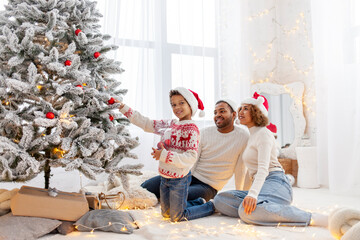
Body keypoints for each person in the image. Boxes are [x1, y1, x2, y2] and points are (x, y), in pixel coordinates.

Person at [213, 92, 328, 227]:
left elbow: (263, 169)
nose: (240, 112)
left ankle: (313, 217)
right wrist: (248, 194)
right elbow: (250, 172)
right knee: (220, 200)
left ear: (256, 112)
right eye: (240, 108)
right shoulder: (250, 136)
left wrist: (253, 195)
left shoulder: (263, 133)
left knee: (246, 212)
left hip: (276, 181)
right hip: (261, 186)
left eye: (246, 108)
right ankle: (265, 207)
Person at [118, 87, 214, 222]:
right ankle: (197, 202)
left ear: (190, 105)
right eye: (174, 104)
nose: (177, 107)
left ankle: (209, 206)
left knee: (176, 217)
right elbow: (147, 123)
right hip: (164, 176)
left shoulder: (192, 130)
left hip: (179, 178)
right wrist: (123, 108)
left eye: (181, 103)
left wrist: (163, 155)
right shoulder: (171, 124)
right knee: (166, 214)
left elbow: (190, 157)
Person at [141, 99, 250, 202]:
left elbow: (241, 167)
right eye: (215, 112)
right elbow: (193, 158)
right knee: (145, 187)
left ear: (234, 114)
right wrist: (183, 180)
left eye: (222, 111)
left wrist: (240, 194)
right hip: (189, 175)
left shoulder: (243, 136)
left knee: (174, 198)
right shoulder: (204, 132)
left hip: (209, 186)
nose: (217, 115)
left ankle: (208, 206)